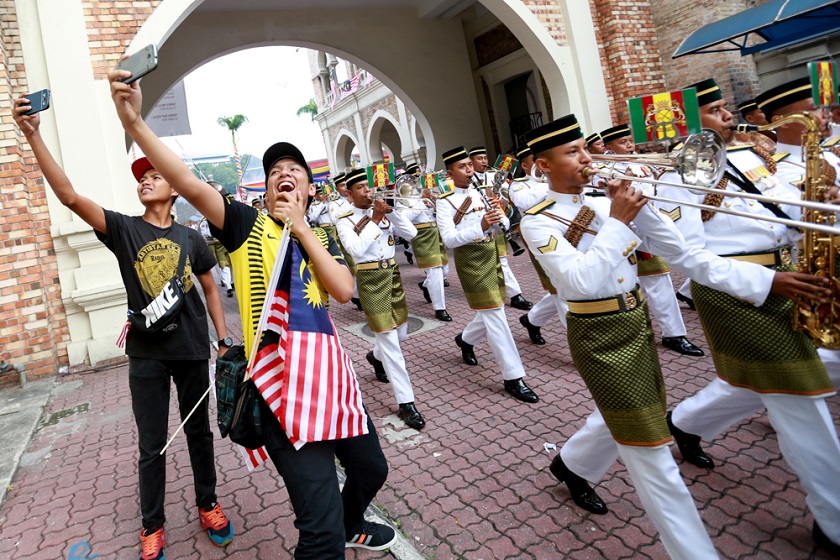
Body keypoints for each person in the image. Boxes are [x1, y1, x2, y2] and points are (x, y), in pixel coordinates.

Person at [109, 67, 396, 559]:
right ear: (266, 192)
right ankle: (335, 529)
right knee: (319, 534)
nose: (286, 174)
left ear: (309, 189)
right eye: (276, 172)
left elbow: (345, 291)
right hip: (280, 388)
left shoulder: (319, 236)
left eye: (296, 171)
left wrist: (303, 229)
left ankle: (353, 521)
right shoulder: (245, 225)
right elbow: (185, 181)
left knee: (373, 469)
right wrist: (135, 124)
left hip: (330, 379)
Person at [13, 98, 235, 560]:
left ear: (174, 188)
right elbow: (70, 196)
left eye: (154, 175)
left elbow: (212, 290)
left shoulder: (192, 237)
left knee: (199, 434)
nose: (145, 181)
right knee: (151, 443)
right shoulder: (123, 229)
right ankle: (152, 525)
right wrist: (33, 134)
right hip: (147, 353)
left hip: (193, 347)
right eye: (140, 178)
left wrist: (223, 337)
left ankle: (208, 503)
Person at [518, 113, 730, 559]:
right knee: (651, 447)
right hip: (598, 334)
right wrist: (617, 220)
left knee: (631, 416)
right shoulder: (536, 221)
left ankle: (572, 465)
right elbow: (578, 281)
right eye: (571, 152)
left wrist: (646, 205)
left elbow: (675, 250)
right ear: (543, 165)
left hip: (636, 322)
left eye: (584, 148)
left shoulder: (602, 201)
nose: (586, 157)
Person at [652, 77, 840, 556]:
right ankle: (833, 520)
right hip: (738, 294)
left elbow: (785, 221)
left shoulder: (752, 159)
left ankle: (688, 421)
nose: (728, 117)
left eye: (726, 108)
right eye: (714, 111)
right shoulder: (677, 174)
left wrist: (823, 216)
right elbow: (689, 258)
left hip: (787, 280)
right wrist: (767, 283)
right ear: (688, 122)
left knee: (764, 383)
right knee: (802, 402)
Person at [436, 146, 538, 404]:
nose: (469, 170)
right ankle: (513, 376)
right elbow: (449, 240)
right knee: (495, 313)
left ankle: (465, 340)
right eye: (462, 166)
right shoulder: (444, 201)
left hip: (492, 254)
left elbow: (503, 225)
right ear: (450, 172)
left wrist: (499, 215)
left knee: (491, 311)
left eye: (470, 165)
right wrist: (480, 225)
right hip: (471, 261)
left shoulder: (483, 192)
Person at [599, 124, 703, 357]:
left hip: (648, 228)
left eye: (629, 140)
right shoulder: (602, 169)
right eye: (622, 142)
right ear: (608, 147)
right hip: (621, 231)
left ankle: (674, 334)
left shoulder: (643, 164)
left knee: (659, 279)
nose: (629, 145)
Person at [336, 168, 426, 429]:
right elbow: (354, 249)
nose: (368, 191)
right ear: (350, 193)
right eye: (362, 188)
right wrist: (375, 219)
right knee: (390, 341)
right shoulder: (344, 218)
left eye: (369, 186)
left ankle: (375, 357)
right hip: (369, 278)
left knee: (401, 333)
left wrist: (393, 212)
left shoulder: (383, 211)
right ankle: (406, 402)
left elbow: (412, 234)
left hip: (392, 275)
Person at [508, 144, 565, 345]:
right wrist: (550, 179)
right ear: (525, 166)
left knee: (561, 287)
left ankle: (532, 319)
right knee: (560, 288)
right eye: (535, 161)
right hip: (541, 239)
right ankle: (580, 341)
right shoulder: (518, 185)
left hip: (564, 232)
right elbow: (525, 201)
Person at [469, 146, 532, 311]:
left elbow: (507, 193)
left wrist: (502, 199)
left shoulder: (494, 175)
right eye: (479, 158)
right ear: (471, 161)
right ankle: (509, 294)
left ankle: (515, 295)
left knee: (502, 260)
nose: (484, 161)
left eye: (485, 158)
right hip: (481, 225)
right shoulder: (467, 180)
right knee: (493, 261)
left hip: (498, 220)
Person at [401, 163, 452, 321]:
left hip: (435, 233)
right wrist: (421, 201)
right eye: (415, 177)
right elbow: (404, 218)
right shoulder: (404, 195)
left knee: (444, 271)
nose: (418, 179)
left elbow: (440, 213)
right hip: (422, 235)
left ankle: (425, 285)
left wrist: (434, 200)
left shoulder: (428, 192)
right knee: (436, 272)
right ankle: (440, 308)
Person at [201, 181, 235, 297]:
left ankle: (230, 282)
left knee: (231, 264)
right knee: (221, 264)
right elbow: (206, 232)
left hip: (229, 242)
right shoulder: (205, 220)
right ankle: (228, 286)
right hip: (216, 244)